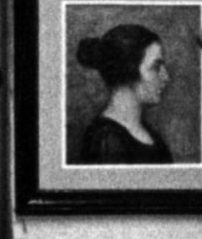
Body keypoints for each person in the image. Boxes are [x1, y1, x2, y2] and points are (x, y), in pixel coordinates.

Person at [71, 22, 176, 165]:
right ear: (128, 71)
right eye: (156, 67)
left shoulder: (151, 134)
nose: (166, 77)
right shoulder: (106, 140)